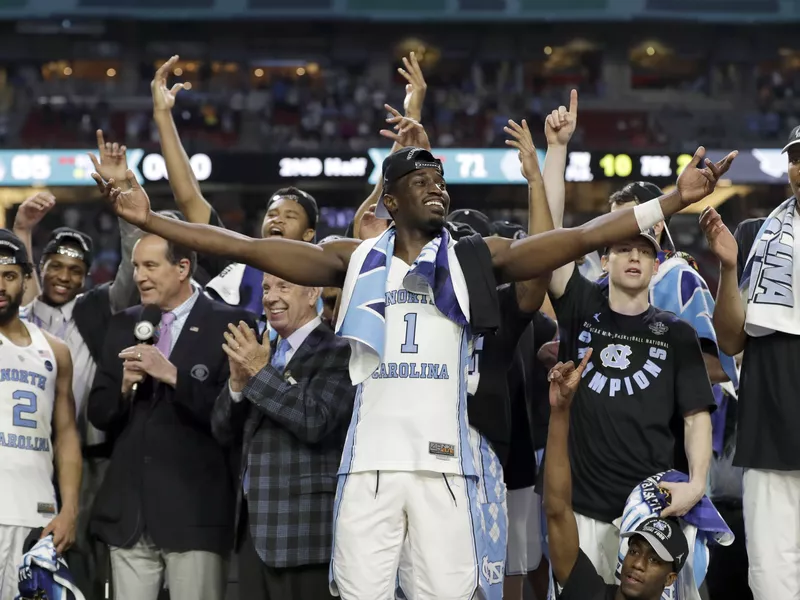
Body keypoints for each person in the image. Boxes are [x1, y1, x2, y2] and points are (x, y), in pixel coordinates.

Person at [93, 110, 733, 597]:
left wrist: (673, 199)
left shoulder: (476, 259)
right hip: (368, 469)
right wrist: (153, 222)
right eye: (423, 182)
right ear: (390, 199)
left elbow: (580, 237)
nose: (439, 190)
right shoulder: (352, 259)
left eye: (442, 182)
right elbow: (242, 248)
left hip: (445, 473)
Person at [541, 93, 717, 583]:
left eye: (644, 251)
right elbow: (550, 241)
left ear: (658, 263)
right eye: (622, 249)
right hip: (581, 507)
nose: (634, 258)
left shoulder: (677, 333)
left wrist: (698, 484)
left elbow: (696, 417)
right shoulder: (579, 304)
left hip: (650, 515)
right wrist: (556, 150)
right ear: (603, 260)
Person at [87, 233, 254, 600]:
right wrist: (124, 387)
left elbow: (233, 417)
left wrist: (172, 375)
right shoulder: (123, 324)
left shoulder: (232, 325)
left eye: (150, 266)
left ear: (182, 268)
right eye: (135, 266)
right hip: (129, 514)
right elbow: (99, 413)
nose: (139, 276)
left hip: (195, 513)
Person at [13, 135, 141, 599]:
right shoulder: (23, 315)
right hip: (29, 454)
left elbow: (132, 268)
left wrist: (125, 194)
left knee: (86, 546)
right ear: (40, 268)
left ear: (87, 276)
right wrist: (22, 227)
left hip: (94, 455)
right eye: (55, 266)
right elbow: (15, 279)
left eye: (75, 270)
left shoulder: (98, 308)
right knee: (34, 550)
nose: (64, 277)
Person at [700, 124, 800, 600]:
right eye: (796, 158)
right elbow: (731, 339)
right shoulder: (756, 235)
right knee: (772, 580)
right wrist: (726, 265)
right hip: (770, 433)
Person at [211, 273, 355, 600]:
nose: (270, 297)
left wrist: (259, 374)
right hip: (251, 533)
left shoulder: (339, 349)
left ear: (313, 291)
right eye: (265, 288)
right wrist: (236, 384)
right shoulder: (261, 349)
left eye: (283, 286)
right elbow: (222, 431)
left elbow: (315, 420)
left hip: (305, 536)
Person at [543, 348, 690, 600]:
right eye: (635, 551)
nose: (638, 563)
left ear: (670, 579)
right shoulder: (590, 593)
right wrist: (560, 412)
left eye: (654, 559)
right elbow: (557, 510)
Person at [0, 230, 82, 600]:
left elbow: (65, 436)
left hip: (37, 516)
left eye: (10, 275)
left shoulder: (56, 350)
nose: (0, 285)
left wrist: (70, 511)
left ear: (27, 279)